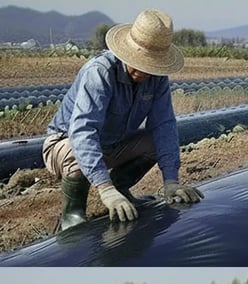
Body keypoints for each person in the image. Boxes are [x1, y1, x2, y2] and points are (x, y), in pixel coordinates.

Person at [43, 9, 203, 232]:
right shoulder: (99, 73)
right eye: (140, 61)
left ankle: (122, 188)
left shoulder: (157, 79)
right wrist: (103, 187)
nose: (144, 71)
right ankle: (73, 213)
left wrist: (171, 181)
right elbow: (83, 131)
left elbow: (164, 125)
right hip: (65, 144)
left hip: (114, 143)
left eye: (151, 65)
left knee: (154, 140)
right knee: (74, 147)